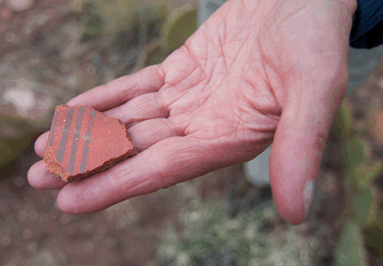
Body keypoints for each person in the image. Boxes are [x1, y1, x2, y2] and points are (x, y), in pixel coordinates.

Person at [28, 0, 383, 224]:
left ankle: (259, 187)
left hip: (342, 29)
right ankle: (257, 181)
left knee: (281, 109)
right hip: (233, 13)